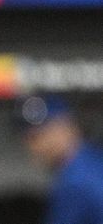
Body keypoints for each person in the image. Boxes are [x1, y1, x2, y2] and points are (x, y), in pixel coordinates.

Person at [15, 95, 103, 224]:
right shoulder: (94, 160)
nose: (35, 146)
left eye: (38, 136)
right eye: (29, 138)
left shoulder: (75, 181)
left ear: (68, 126)